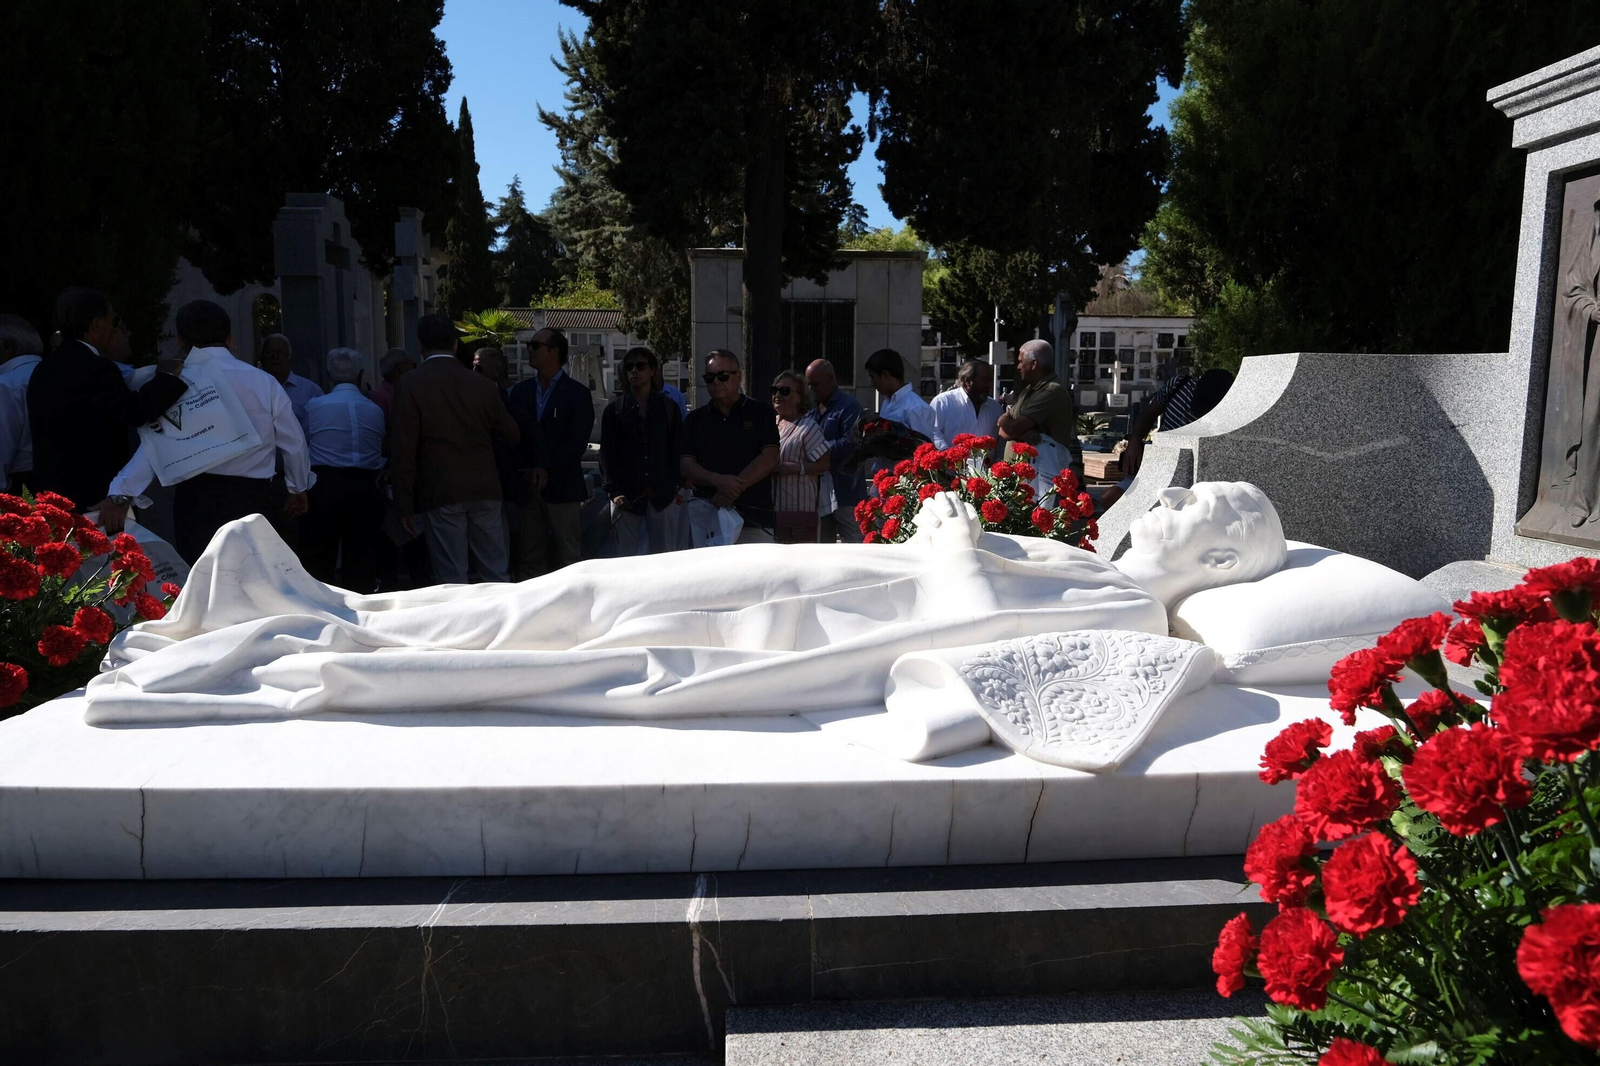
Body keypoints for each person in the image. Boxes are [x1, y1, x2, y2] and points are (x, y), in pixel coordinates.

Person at [85, 482, 1291, 726]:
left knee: (583, 606)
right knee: (571, 588)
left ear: (1225, 566)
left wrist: (952, 530)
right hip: (823, 583)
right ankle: (332, 606)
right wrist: (960, 535)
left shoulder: (1130, 614)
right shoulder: (1087, 552)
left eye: (1212, 513)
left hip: (816, 615)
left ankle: (313, 620)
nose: (1181, 505)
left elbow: (975, 631)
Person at [103, 300, 312, 562]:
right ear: (230, 338)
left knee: (205, 586)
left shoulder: (175, 383)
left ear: (180, 339)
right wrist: (297, 487)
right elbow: (293, 442)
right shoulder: (264, 381)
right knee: (255, 585)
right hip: (254, 501)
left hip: (197, 502)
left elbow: (157, 445)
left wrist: (122, 492)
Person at [28, 287, 188, 512]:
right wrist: (168, 376)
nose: (116, 330)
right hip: (94, 496)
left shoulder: (43, 369)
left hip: (50, 494)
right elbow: (136, 411)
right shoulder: (96, 368)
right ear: (96, 324)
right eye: (114, 321)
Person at [392, 314, 521, 584]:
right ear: (455, 344)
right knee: (496, 572)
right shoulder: (484, 385)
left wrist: (404, 503)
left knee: (452, 577)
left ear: (420, 345)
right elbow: (511, 434)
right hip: (485, 486)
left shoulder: (411, 383)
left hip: (442, 489)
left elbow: (403, 448)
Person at [299, 348, 386, 591]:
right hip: (366, 487)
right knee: (362, 560)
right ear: (360, 375)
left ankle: (320, 610)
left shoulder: (314, 407)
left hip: (324, 485)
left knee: (318, 558)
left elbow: (303, 444)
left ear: (329, 376)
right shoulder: (374, 410)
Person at [508, 328, 592, 577]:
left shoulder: (577, 394)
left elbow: (576, 444)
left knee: (569, 559)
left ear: (553, 352)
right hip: (529, 487)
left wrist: (546, 468)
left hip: (563, 487)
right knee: (530, 558)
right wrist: (529, 469)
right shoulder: (520, 392)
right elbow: (513, 437)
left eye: (535, 345)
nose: (529, 350)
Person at [680, 349, 779, 543]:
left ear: (739, 376)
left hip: (755, 519)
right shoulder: (695, 420)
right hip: (709, 520)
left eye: (723, 376)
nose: (716, 382)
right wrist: (718, 481)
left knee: (758, 573)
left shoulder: (761, 413)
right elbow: (685, 465)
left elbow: (770, 457)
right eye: (710, 378)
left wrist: (733, 488)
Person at [600, 347, 682, 555]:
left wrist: (673, 485)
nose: (634, 371)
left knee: (666, 558)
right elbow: (607, 454)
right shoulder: (614, 411)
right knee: (624, 560)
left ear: (653, 370)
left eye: (640, 366)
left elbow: (677, 449)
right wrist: (614, 490)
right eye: (629, 367)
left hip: (662, 495)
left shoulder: (669, 408)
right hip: (626, 497)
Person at [1119, 366, 1236, 481]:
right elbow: (1149, 413)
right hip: (1159, 459)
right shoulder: (1178, 384)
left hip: (1193, 472)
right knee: (1111, 496)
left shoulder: (1228, 414)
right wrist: (1134, 442)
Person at [997, 339, 1082, 477]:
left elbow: (1010, 428)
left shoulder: (1051, 391)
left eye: (1020, 361)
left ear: (1034, 364)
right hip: (1020, 476)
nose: (1018, 367)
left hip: (1039, 479)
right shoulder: (1030, 389)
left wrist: (1008, 423)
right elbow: (1003, 430)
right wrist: (1019, 431)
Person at [803, 358, 865, 544]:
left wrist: (817, 451)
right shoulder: (811, 410)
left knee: (853, 546)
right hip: (819, 494)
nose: (811, 389)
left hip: (846, 491)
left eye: (815, 384)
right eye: (808, 384)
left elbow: (851, 443)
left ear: (831, 379)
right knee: (823, 548)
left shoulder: (849, 406)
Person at [771, 370, 828, 544]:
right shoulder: (771, 424)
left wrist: (796, 468)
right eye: (775, 390)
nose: (778, 395)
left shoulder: (808, 427)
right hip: (772, 513)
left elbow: (825, 464)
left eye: (785, 391)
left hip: (797, 514)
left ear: (799, 398)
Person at [0, 315, 44, 492]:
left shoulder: (7, 383)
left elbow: (3, 445)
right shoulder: (57, 374)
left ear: (7, 346)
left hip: (20, 486)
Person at [929, 359, 1003, 453]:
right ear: (967, 381)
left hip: (986, 467)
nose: (989, 385)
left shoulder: (995, 407)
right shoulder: (943, 402)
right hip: (951, 466)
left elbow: (1001, 442)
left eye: (990, 380)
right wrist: (947, 455)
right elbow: (932, 433)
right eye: (984, 380)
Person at [865, 348, 937, 442]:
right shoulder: (887, 402)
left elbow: (923, 448)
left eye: (873, 377)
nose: (872, 384)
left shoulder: (916, 408)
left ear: (885, 375)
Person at [257, 333, 324, 432]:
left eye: (280, 353)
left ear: (289, 357)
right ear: (261, 357)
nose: (275, 357)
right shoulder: (252, 389)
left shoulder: (311, 391)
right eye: (269, 352)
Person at [371, 348, 414, 424]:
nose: (414, 370)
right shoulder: (379, 397)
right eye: (413, 365)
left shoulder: (402, 392)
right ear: (401, 367)